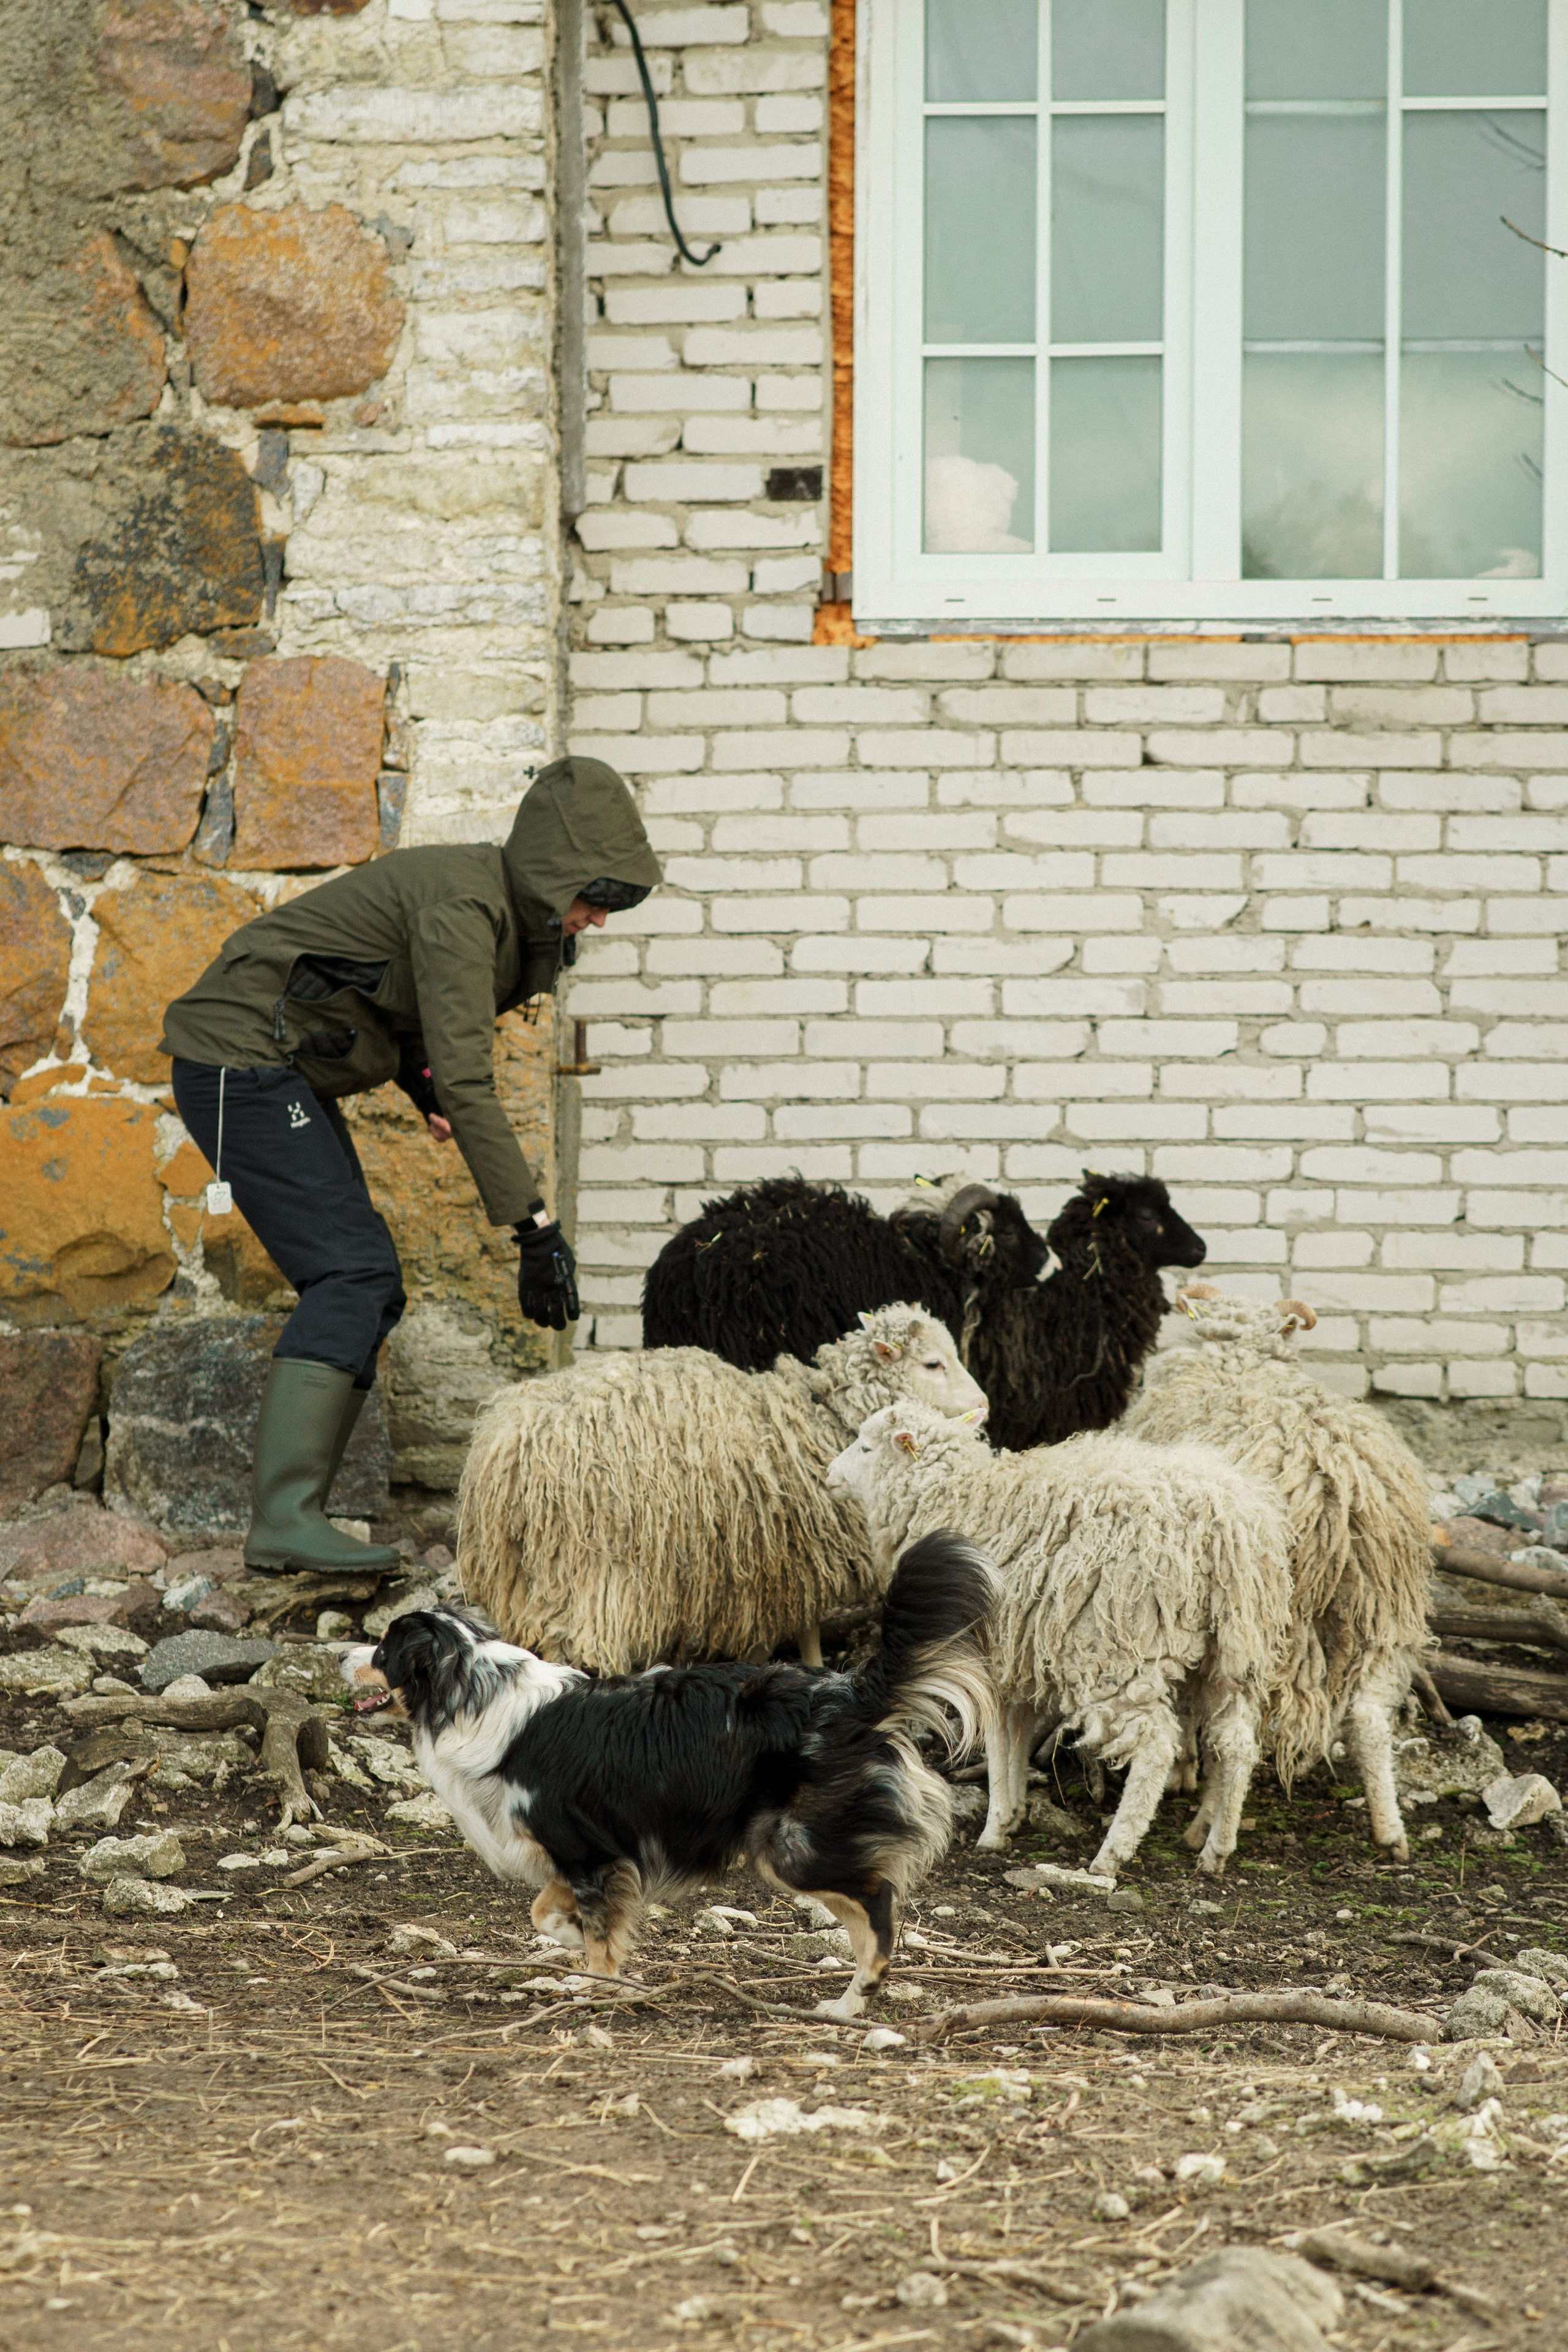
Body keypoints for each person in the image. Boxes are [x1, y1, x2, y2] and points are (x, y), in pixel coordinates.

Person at [159, 755, 661, 1575]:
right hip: (237, 1062)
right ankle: (284, 1520)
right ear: (551, 874)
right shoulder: (464, 905)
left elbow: (396, 1003)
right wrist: (535, 1232)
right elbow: (469, 1077)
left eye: (611, 903)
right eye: (593, 897)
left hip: (274, 1067)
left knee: (372, 1279)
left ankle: (296, 1520)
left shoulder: (492, 907)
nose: (598, 919)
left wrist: (418, 1081)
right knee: (350, 1272)